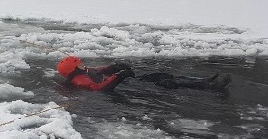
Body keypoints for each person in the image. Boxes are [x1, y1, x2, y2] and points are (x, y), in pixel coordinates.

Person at [56, 55, 231, 92]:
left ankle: (203, 80)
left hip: (128, 83)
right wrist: (119, 75)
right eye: (80, 63)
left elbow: (101, 70)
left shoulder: (86, 71)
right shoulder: (80, 81)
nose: (84, 64)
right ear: (74, 69)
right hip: (126, 88)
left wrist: (114, 67)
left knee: (163, 75)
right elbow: (99, 88)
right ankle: (211, 87)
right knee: (166, 83)